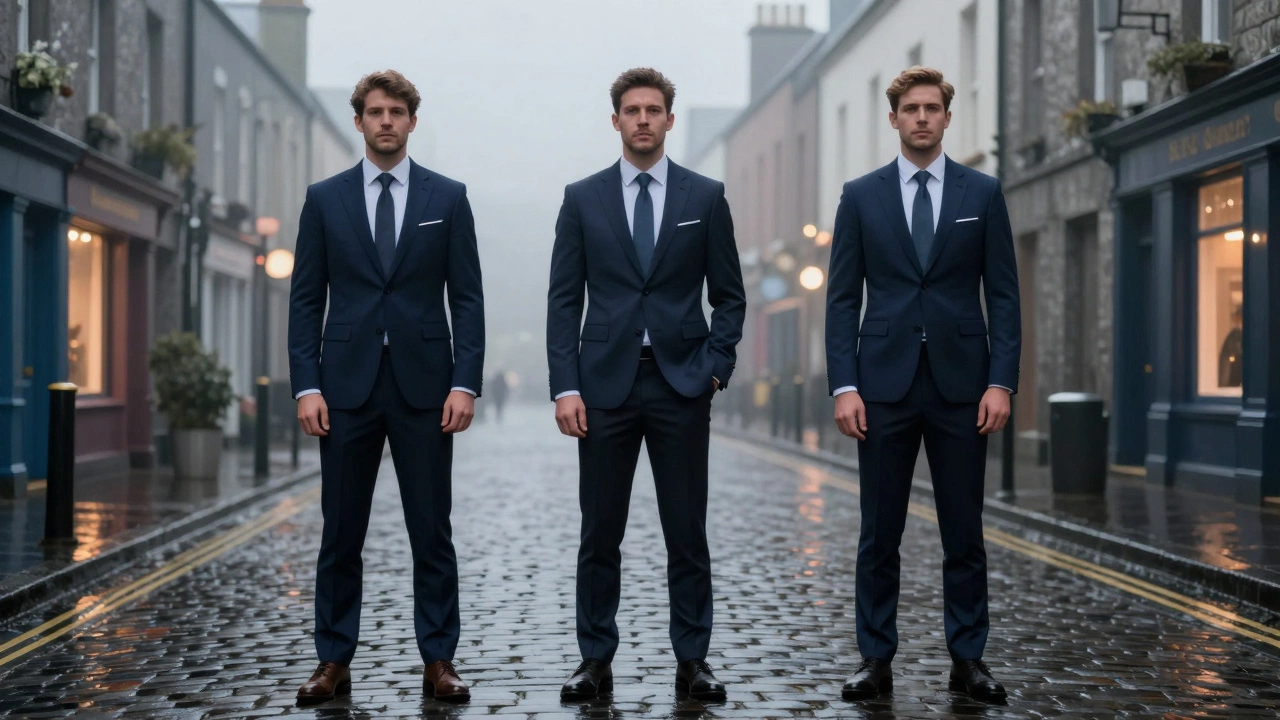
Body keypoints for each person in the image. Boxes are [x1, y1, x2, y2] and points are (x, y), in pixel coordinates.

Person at [546, 67, 745, 702]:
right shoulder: (582, 198)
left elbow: (730, 295)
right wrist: (565, 386)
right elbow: (563, 302)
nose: (642, 119)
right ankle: (593, 659)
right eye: (631, 110)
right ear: (615, 121)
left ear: (669, 120)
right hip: (603, 388)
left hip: (681, 384)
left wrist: (716, 366)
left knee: (686, 531)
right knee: (600, 531)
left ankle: (694, 660)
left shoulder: (704, 197)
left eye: (653, 110)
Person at [824, 66, 1021, 704]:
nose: (922, 118)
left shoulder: (982, 192)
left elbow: (1004, 296)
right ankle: (874, 659)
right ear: (894, 119)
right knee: (879, 533)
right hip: (881, 387)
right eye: (911, 109)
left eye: (932, 108)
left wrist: (1001, 381)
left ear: (947, 117)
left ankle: (969, 660)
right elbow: (841, 299)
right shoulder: (861, 196)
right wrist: (844, 385)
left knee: (964, 532)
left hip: (964, 388)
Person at [288, 69, 485, 705]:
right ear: (359, 121)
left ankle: (439, 659)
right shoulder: (325, 199)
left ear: (412, 121)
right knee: (340, 533)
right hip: (344, 389)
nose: (386, 121)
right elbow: (305, 300)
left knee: (432, 531)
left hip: (426, 390)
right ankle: (332, 660)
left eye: (397, 112)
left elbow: (468, 299)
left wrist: (465, 382)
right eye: (375, 112)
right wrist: (306, 386)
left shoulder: (447, 197)